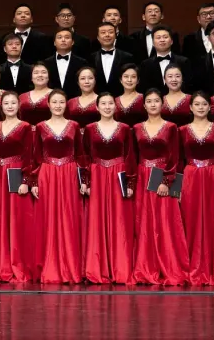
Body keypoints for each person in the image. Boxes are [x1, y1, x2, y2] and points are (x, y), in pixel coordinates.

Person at [131, 89, 189, 285]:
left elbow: (176, 157)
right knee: (145, 221)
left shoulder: (171, 127)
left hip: (163, 174)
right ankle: (146, 265)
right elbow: (134, 156)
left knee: (165, 221)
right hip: (143, 176)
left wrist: (166, 181)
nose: (153, 104)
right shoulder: (136, 128)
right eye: (149, 101)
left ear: (162, 104)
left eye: (156, 101)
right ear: (144, 105)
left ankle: (168, 264)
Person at [32, 90, 86, 283]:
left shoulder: (74, 126)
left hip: (69, 173)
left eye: (61, 102)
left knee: (69, 217)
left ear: (66, 104)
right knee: (48, 217)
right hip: (47, 174)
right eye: (54, 102)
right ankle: (49, 265)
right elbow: (36, 156)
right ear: (48, 104)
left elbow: (81, 155)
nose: (57, 105)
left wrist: (84, 180)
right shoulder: (40, 127)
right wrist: (33, 181)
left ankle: (70, 265)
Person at [179, 92, 214, 286]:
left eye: (204, 104)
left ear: (210, 107)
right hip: (190, 178)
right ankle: (191, 267)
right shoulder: (182, 130)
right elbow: (177, 161)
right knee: (190, 221)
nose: (200, 108)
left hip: (212, 177)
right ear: (190, 107)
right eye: (197, 104)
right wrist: (175, 189)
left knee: (213, 221)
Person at [84, 92, 137, 284]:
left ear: (116, 107)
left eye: (110, 104)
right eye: (103, 104)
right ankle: (97, 268)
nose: (107, 107)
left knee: (119, 219)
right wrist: (86, 181)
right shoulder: (89, 129)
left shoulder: (124, 129)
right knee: (97, 220)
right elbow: (85, 156)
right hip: (97, 174)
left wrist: (130, 182)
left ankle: (120, 268)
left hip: (118, 174)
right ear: (97, 107)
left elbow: (130, 156)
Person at [0, 91, 36, 282]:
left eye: (13, 103)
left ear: (19, 106)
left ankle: (17, 264)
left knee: (16, 219)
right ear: (1, 106)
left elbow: (29, 155)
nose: (10, 106)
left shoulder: (25, 127)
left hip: (16, 173)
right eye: (6, 103)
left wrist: (26, 180)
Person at [137, 26, 188, 93]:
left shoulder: (183, 62)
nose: (162, 40)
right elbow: (143, 88)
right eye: (158, 38)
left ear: (171, 41)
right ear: (153, 43)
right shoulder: (145, 64)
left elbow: (187, 85)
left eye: (165, 37)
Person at [93, 22, 134, 96]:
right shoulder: (91, 58)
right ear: (98, 38)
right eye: (103, 32)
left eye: (110, 32)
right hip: (97, 99)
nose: (107, 35)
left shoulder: (127, 57)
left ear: (115, 36)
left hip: (121, 98)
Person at [43, 28, 87, 99]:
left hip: (76, 100)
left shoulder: (82, 62)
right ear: (54, 42)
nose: (63, 40)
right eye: (59, 37)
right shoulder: (46, 63)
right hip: (52, 101)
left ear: (72, 42)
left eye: (67, 37)